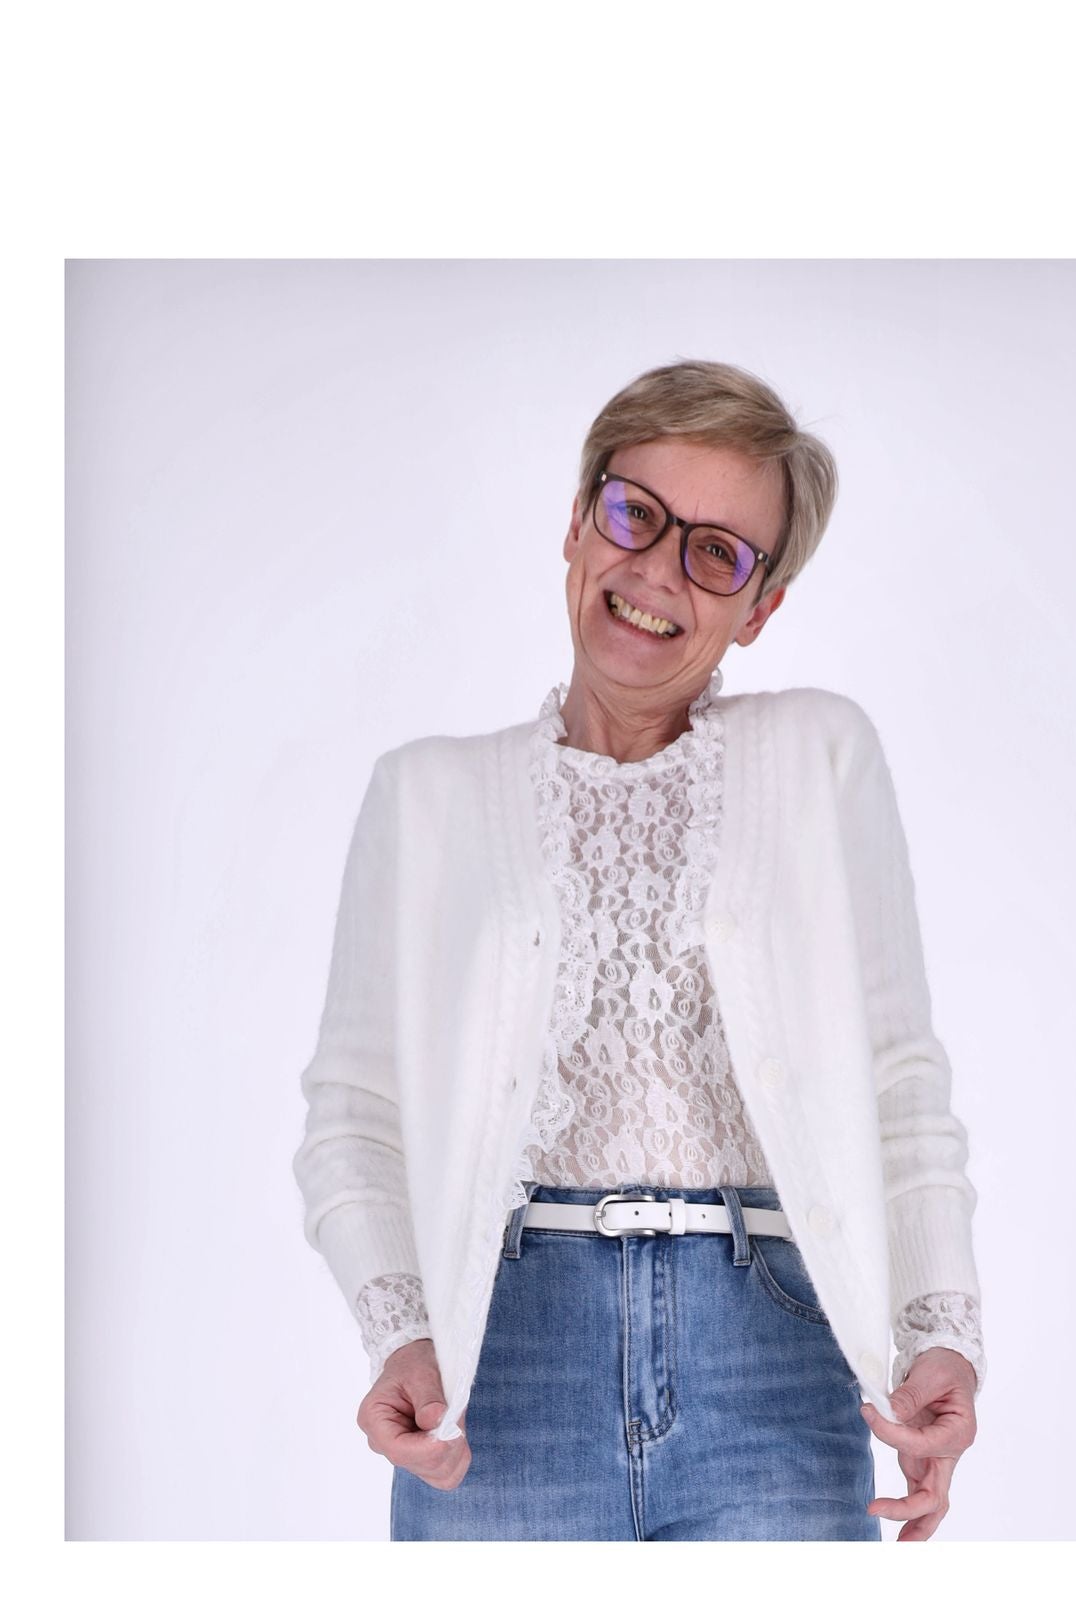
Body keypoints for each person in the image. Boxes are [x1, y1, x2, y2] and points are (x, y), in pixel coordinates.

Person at [293, 358, 985, 1541]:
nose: (659, 569)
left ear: (758, 608)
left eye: (716, 552)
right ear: (578, 523)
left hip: (772, 1356)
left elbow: (899, 1083)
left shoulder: (819, 759)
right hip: (503, 1366)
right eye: (635, 514)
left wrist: (940, 1337)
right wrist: (401, 1332)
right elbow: (352, 1116)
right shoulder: (426, 799)